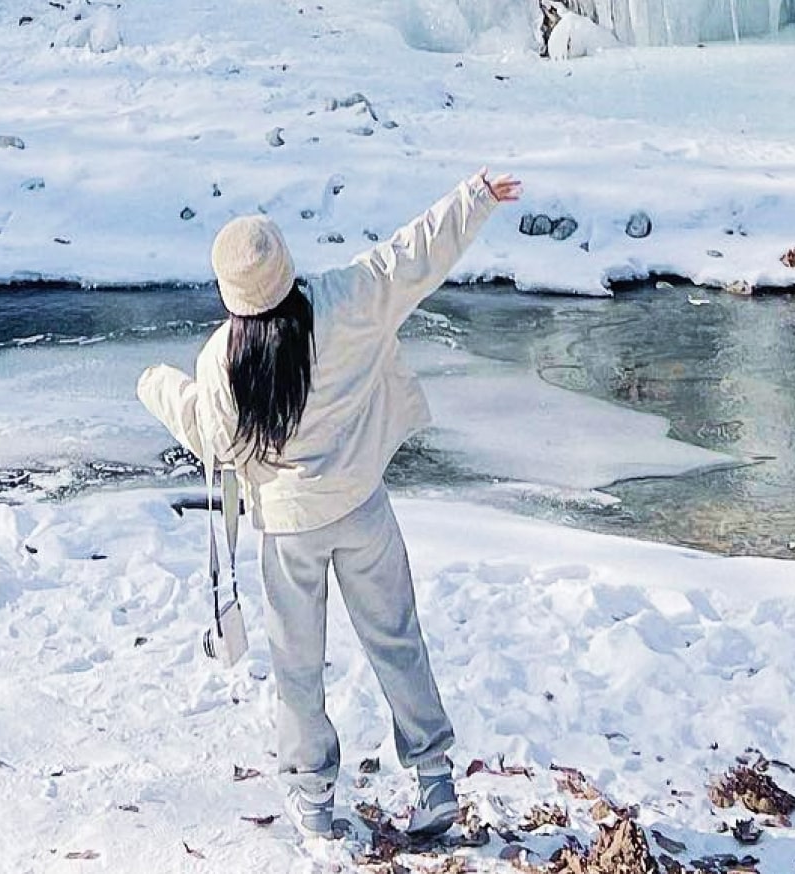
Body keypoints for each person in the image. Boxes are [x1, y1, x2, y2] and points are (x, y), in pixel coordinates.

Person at [137, 168, 522, 839]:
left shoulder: (222, 359)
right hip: (363, 508)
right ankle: (433, 782)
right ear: (286, 264)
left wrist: (156, 387)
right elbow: (416, 253)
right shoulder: (350, 298)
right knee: (397, 640)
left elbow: (214, 440)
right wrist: (476, 195)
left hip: (289, 532)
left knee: (297, 666)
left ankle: (314, 802)